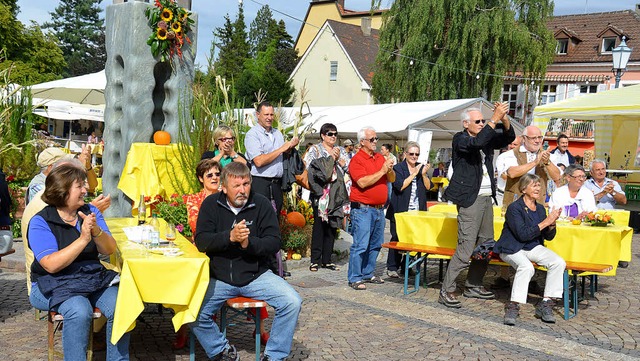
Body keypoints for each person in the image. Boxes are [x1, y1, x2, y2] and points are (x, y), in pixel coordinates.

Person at [190, 163, 302, 361]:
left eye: (246, 184)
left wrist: (248, 244)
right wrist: (229, 237)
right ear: (223, 187)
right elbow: (201, 241)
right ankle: (221, 351)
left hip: (256, 275)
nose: (242, 190)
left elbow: (274, 242)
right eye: (236, 186)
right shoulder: (210, 205)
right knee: (190, 310)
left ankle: (275, 355)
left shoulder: (261, 204)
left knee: (292, 301)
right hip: (220, 277)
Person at [27, 164, 129, 360]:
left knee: (122, 304)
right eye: (79, 186)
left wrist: (96, 231)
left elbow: (108, 249)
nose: (85, 190)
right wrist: (83, 239)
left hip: (90, 279)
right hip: (51, 284)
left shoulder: (90, 211)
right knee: (79, 310)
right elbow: (50, 264)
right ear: (62, 190)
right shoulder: (41, 222)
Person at [439, 103, 515, 308]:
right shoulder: (460, 138)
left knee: (486, 244)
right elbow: (477, 143)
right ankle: (447, 289)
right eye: (478, 121)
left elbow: (508, 138)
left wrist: (504, 118)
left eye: (483, 120)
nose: (482, 124)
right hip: (469, 199)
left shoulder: (486, 136)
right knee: (465, 248)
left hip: (486, 198)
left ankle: (473, 285)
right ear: (466, 124)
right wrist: (494, 119)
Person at [493, 174, 565, 325]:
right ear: (524, 189)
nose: (538, 188)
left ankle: (546, 303)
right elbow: (522, 234)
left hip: (531, 246)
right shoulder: (514, 208)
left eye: (539, 185)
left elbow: (548, 236)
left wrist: (552, 224)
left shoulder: (539, 209)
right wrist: (546, 221)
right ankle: (514, 305)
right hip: (512, 247)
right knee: (526, 267)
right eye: (534, 185)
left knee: (558, 262)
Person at [346, 126, 395, 291]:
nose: (375, 142)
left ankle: (367, 273)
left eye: (376, 138)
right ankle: (355, 277)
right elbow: (362, 182)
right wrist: (382, 171)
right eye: (372, 139)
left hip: (379, 209)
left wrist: (389, 169)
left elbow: (392, 179)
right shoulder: (357, 160)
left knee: (376, 244)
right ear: (362, 142)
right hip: (363, 209)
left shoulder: (380, 157)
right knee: (360, 244)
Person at [303, 123, 349, 272]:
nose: (333, 136)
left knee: (332, 226)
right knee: (319, 225)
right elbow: (309, 168)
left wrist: (341, 161)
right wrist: (330, 159)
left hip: (336, 194)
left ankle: (327, 260)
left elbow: (349, 167)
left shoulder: (341, 150)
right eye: (330, 134)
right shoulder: (315, 150)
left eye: (335, 134)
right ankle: (315, 260)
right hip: (322, 193)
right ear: (323, 135)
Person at [385, 141, 431, 278]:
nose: (414, 157)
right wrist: (413, 174)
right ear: (405, 154)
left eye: (417, 154)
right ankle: (392, 266)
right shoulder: (398, 168)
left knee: (413, 240)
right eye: (411, 154)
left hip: (417, 211)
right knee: (397, 238)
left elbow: (429, 187)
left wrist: (423, 175)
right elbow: (399, 186)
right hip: (400, 210)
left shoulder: (421, 168)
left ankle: (408, 266)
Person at [244, 101, 299, 214]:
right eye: (266, 115)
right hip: (261, 182)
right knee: (261, 217)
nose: (269, 118)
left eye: (271, 115)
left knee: (275, 219)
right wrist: (281, 149)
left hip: (277, 184)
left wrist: (289, 148)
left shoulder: (277, 133)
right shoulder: (252, 134)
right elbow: (258, 161)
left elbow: (281, 155)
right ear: (258, 115)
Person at [501, 126, 561, 211]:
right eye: (533, 138)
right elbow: (512, 173)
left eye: (540, 137)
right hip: (515, 204)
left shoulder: (550, 157)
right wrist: (535, 162)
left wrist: (547, 162)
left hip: (538, 205)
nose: (537, 141)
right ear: (524, 138)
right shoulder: (510, 154)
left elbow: (557, 177)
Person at [494, 136, 522, 207]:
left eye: (515, 144)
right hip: (502, 195)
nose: (512, 146)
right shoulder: (502, 157)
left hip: (519, 196)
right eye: (510, 144)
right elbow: (503, 176)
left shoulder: (523, 158)